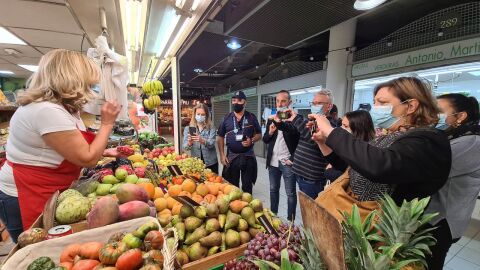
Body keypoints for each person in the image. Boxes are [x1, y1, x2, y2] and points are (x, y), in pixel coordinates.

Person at [310, 77, 451, 269]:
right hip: (361, 230)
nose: (375, 108)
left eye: (383, 103)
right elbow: (355, 168)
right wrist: (324, 141)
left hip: (384, 241)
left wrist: (332, 131)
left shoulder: (428, 141)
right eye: (375, 101)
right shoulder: (391, 134)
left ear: (410, 106)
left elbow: (380, 166)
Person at [0, 49, 121, 242]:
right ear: (71, 78)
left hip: (49, 186)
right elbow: (87, 159)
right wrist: (107, 123)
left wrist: (104, 150)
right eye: (88, 82)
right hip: (27, 192)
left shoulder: (61, 108)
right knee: (36, 249)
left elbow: (63, 147)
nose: (91, 88)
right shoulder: (46, 111)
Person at [427, 94, 480, 265]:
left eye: (440, 111)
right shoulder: (454, 136)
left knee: (430, 262)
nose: (433, 116)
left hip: (443, 220)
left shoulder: (472, 142)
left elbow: (430, 170)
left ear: (461, 116)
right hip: (435, 215)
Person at [284, 89, 335, 199]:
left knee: (311, 208)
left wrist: (296, 119)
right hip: (299, 172)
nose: (315, 106)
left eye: (319, 103)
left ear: (329, 106)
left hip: (311, 178)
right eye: (313, 103)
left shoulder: (329, 125)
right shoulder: (311, 121)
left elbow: (313, 138)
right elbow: (301, 138)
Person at [262, 90, 301, 221]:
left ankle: (290, 222)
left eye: (283, 101)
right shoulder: (272, 118)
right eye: (277, 101)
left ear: (289, 102)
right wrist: (271, 132)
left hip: (287, 162)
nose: (279, 103)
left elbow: (300, 141)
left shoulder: (295, 119)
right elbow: (265, 139)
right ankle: (273, 216)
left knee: (290, 193)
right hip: (273, 161)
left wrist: (294, 158)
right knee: (273, 190)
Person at [217, 91, 262, 193]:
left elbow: (259, 134)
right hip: (232, 157)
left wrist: (252, 140)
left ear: (244, 102)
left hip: (248, 156)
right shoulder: (226, 118)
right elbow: (220, 137)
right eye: (234, 100)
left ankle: (246, 205)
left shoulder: (251, 117)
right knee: (232, 187)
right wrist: (222, 155)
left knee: (247, 187)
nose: (236, 103)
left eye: (239, 100)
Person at [324, 110, 375, 182]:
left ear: (358, 129)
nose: (340, 128)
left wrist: (329, 171)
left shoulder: (365, 151)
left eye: (345, 126)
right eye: (341, 125)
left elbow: (350, 177)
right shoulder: (345, 144)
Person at [183, 103, 219, 174]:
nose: (200, 116)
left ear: (206, 115)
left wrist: (202, 140)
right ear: (194, 114)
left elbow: (211, 144)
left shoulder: (211, 128)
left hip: (211, 163)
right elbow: (185, 147)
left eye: (203, 114)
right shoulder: (188, 129)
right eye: (198, 114)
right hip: (196, 163)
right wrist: (189, 143)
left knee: (213, 182)